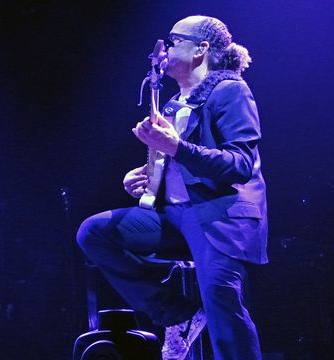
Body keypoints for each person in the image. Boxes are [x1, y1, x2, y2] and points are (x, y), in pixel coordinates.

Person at [76, 15, 267, 360]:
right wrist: (145, 178)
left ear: (200, 49)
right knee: (94, 233)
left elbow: (239, 164)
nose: (164, 50)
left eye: (174, 41)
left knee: (223, 305)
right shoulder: (172, 104)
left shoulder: (230, 91)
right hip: (174, 216)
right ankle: (178, 315)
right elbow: (174, 166)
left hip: (219, 216)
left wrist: (176, 147)